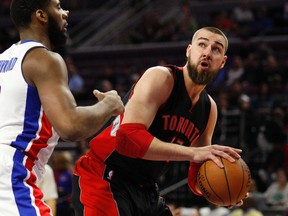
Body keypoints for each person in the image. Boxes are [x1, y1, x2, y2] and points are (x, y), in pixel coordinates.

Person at [72, 27, 245, 216]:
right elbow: (127, 139)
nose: (207, 52)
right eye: (202, 44)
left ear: (222, 62)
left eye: (216, 49)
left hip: (146, 189)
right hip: (105, 175)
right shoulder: (161, 78)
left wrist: (223, 190)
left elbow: (198, 177)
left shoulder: (209, 109)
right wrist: (192, 152)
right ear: (189, 50)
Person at [0, 0, 124, 215]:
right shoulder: (44, 59)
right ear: (41, 15)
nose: (65, 13)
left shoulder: (4, 60)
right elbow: (71, 126)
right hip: (12, 173)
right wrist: (108, 104)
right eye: (57, 7)